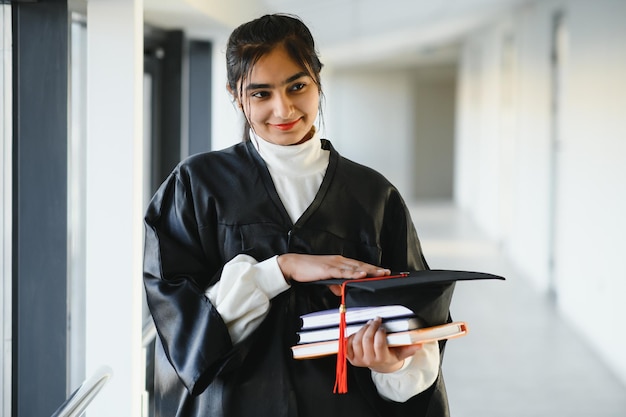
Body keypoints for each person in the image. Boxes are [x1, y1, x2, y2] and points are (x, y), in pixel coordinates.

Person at [143, 13, 452, 417]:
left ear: (317, 81)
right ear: (236, 96)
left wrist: (392, 363)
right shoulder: (196, 187)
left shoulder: (373, 196)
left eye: (297, 86)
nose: (282, 108)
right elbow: (183, 329)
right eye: (260, 94)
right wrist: (280, 269)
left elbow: (416, 314)